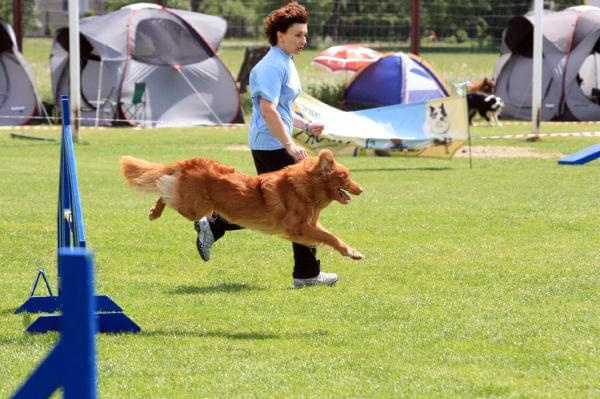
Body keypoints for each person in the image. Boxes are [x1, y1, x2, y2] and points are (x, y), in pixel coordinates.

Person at [193, 1, 337, 288]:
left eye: (305, 35)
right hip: (271, 144)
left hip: (275, 142)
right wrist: (288, 144)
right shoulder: (271, 66)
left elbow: (282, 109)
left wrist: (305, 127)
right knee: (297, 207)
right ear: (280, 35)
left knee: (277, 209)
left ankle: (216, 225)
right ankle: (306, 274)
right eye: (297, 35)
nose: (303, 41)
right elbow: (267, 109)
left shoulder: (285, 62)